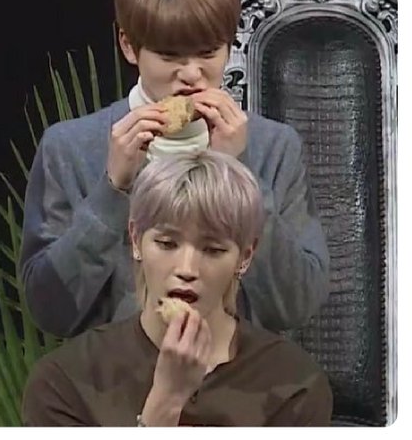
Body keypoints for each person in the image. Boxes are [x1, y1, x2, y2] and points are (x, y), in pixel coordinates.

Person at [19, 0, 329, 337]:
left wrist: (242, 173)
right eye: (169, 56)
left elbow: (298, 304)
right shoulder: (70, 148)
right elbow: (49, 311)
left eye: (208, 53)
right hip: (114, 373)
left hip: (238, 372)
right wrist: (111, 191)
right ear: (129, 45)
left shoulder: (274, 148)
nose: (192, 74)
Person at [22, 151, 333, 426]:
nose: (187, 269)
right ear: (136, 239)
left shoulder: (292, 384)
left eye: (213, 250)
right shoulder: (66, 382)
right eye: (167, 244)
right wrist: (166, 402)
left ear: (245, 256)